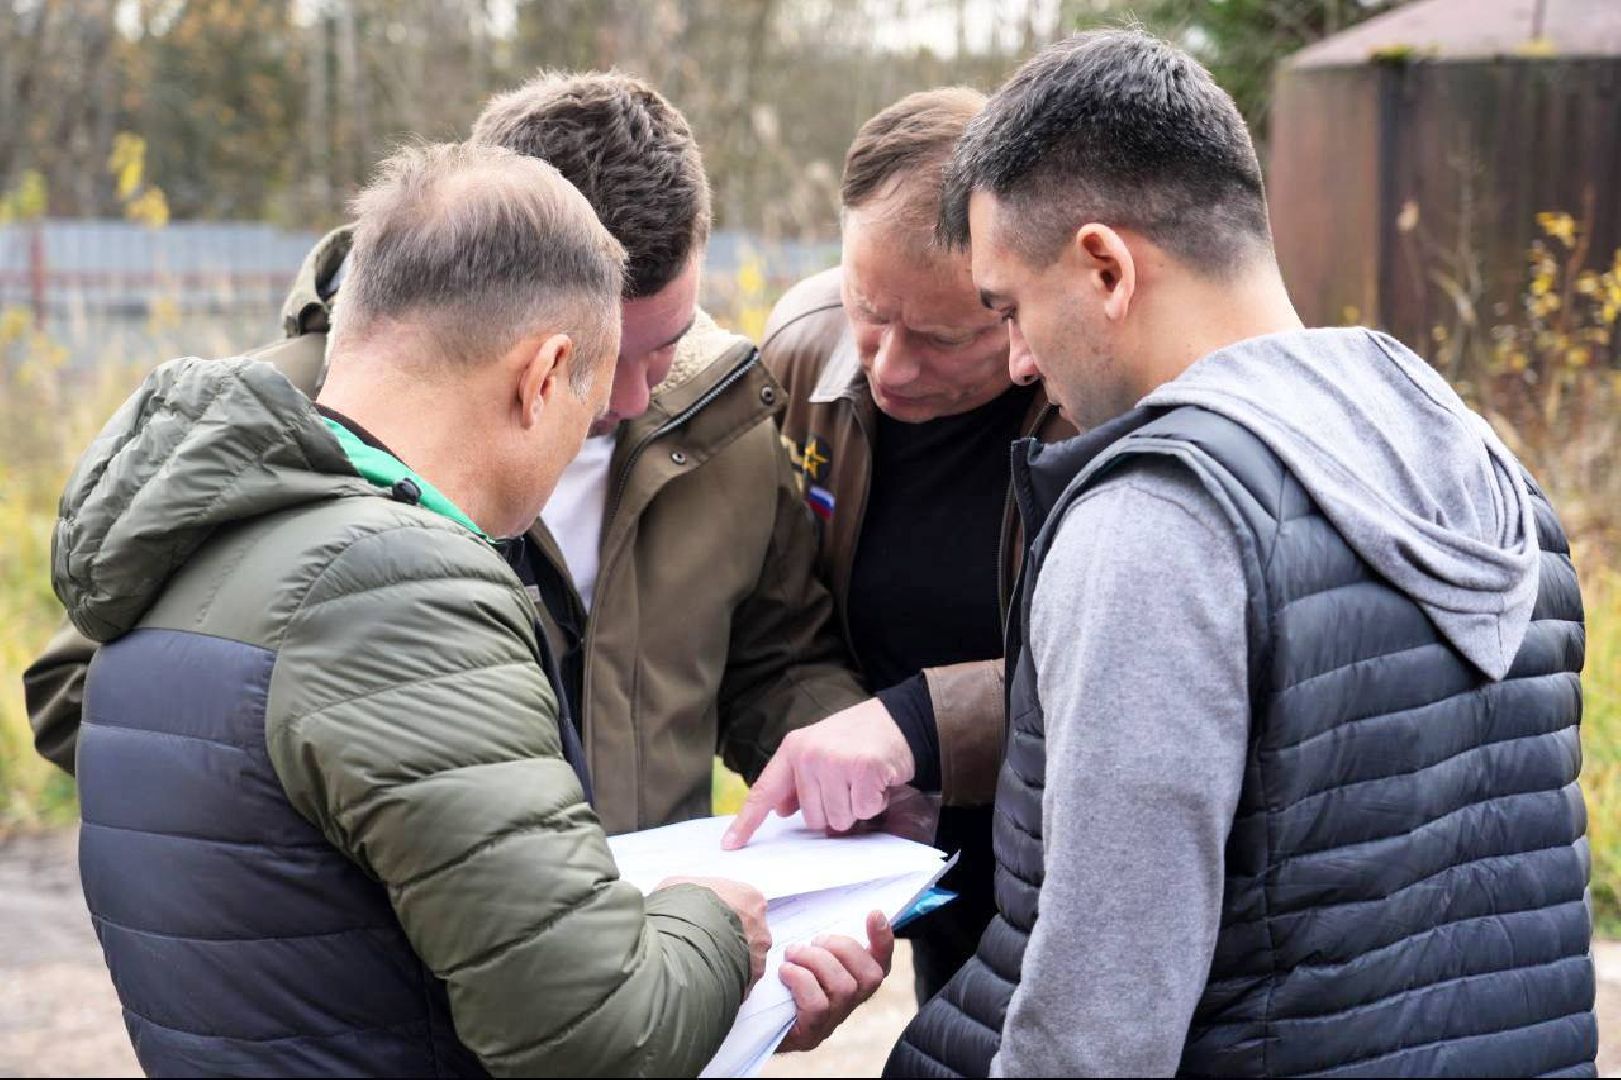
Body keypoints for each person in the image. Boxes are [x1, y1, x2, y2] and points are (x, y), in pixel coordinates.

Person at [55, 142, 890, 1078]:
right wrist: (711, 924)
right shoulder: (398, 590)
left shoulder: (186, 549)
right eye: (592, 392)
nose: (611, 414)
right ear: (542, 377)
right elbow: (595, 1041)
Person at [883, 29, 1596, 1077]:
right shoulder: (1487, 463)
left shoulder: (1158, 524)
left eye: (1010, 309)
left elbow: (1096, 1033)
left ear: (1104, 266)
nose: (1021, 361)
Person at [25, 70, 868, 836]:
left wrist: (850, 755)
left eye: (667, 346)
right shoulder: (272, 423)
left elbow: (778, 660)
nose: (635, 398)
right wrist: (384, 809)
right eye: (598, 362)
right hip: (383, 979)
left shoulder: (722, 417)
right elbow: (82, 704)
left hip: (659, 973)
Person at [724, 89, 1073, 1004]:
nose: (885, 369)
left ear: (1018, 299)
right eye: (869, 310)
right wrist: (851, 762)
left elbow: (1130, 661)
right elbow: (784, 615)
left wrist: (917, 724)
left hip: (1065, 845)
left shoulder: (1101, 405)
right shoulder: (799, 352)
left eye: (942, 337)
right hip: (911, 841)